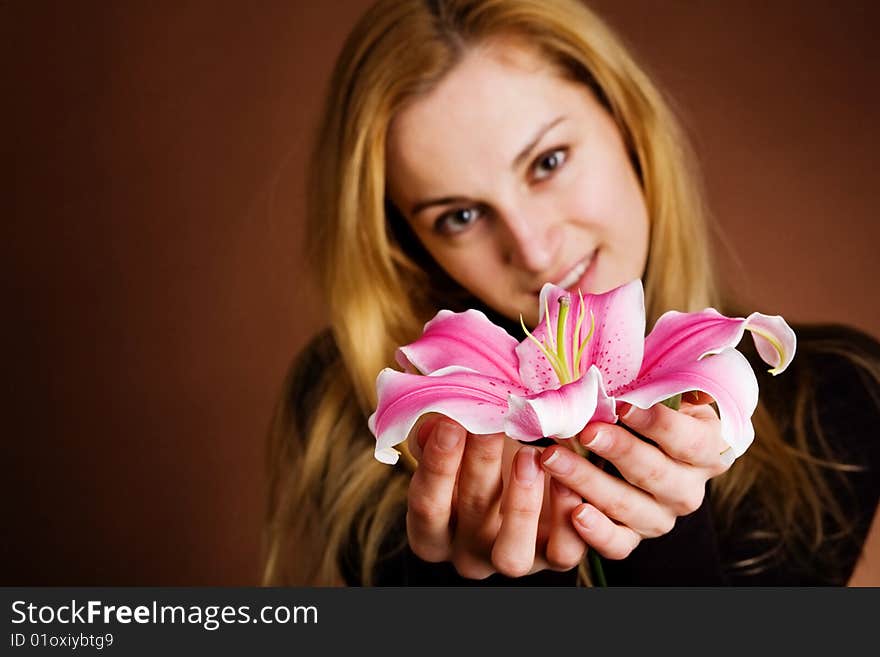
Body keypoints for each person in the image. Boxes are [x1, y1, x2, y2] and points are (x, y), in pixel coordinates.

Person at [261, 0, 880, 586]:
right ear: (411, 244)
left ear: (628, 122)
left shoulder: (835, 398)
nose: (533, 250)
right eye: (459, 217)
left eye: (548, 161)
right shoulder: (347, 413)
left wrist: (665, 529)